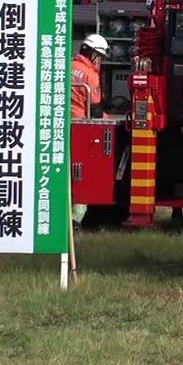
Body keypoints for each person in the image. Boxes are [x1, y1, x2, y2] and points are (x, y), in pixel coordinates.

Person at [70, 34, 109, 229]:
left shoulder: (68, 66)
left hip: (60, 126)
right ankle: (76, 220)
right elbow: (95, 108)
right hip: (81, 127)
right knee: (82, 176)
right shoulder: (90, 75)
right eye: (99, 57)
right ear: (92, 54)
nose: (99, 61)